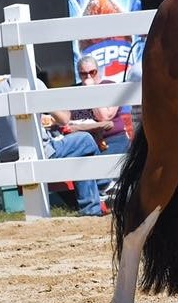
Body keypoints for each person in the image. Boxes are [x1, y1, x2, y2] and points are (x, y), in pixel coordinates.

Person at [0, 76, 104, 216]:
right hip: (39, 151)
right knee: (85, 141)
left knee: (81, 152)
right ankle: (104, 187)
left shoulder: (2, 88)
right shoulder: (32, 83)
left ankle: (93, 206)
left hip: (6, 156)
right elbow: (64, 119)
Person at [64, 55, 131, 154]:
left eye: (92, 72)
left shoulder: (110, 86)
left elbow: (104, 117)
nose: (88, 77)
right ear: (79, 74)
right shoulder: (73, 90)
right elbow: (65, 120)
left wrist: (91, 90)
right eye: (83, 74)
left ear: (98, 71)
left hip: (112, 139)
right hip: (83, 142)